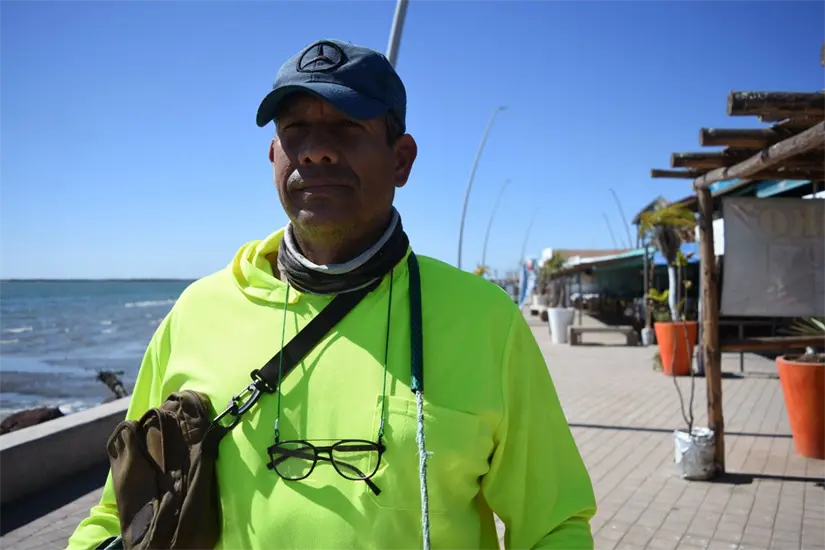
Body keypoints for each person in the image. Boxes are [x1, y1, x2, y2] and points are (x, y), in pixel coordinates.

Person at [67, 38, 596, 550]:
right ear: (274, 155)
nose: (316, 150)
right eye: (296, 129)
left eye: (347, 127)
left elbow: (553, 526)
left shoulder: (486, 322)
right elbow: (122, 509)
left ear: (402, 159)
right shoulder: (196, 313)